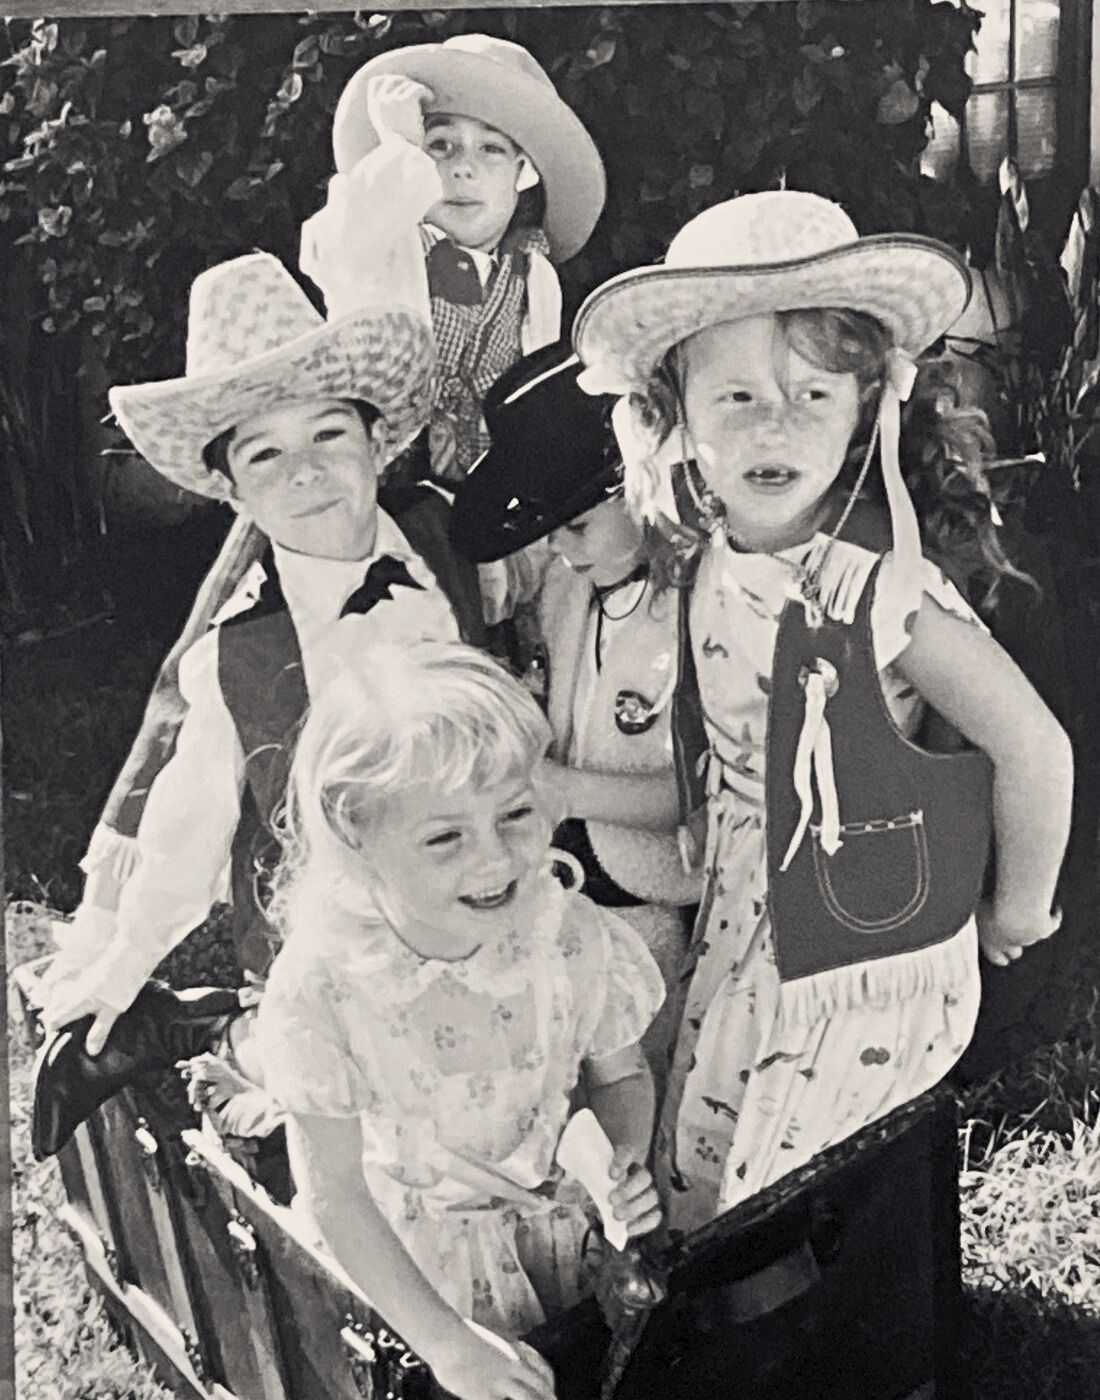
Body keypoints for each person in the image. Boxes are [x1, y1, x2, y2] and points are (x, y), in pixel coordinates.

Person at [573, 190, 1074, 1233]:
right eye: (736, 398)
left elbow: (1031, 740)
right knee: (712, 1147)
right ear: (676, 418)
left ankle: (816, 1334)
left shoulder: (874, 591)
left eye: (811, 394)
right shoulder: (710, 555)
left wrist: (1016, 906)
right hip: (746, 915)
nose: (774, 423)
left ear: (867, 410)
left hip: (856, 945)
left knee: (774, 1184)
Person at [39, 251, 479, 1063]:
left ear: (378, 441)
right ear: (233, 493)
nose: (306, 470)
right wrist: (120, 967)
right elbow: (187, 829)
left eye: (327, 433)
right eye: (265, 456)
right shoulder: (238, 654)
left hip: (486, 894)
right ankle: (238, 1034)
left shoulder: (448, 543)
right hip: (343, 952)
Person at [253, 639, 665, 1400]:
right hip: (410, 1279)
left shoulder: (567, 934)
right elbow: (336, 1192)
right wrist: (445, 1341)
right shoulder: (328, 987)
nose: (495, 859)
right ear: (355, 834)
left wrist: (622, 1163)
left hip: (557, 1245)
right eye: (445, 836)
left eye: (515, 814)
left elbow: (623, 1074)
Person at [450, 341, 700, 1088]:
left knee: (639, 1059)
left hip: (661, 889)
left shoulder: (696, 609)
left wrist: (565, 789)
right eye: (549, 531)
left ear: (642, 489)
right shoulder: (570, 595)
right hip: (569, 878)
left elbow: (706, 789)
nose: (558, 549)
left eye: (576, 526)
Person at [300, 32, 605, 495]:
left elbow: (534, 392)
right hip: (377, 485)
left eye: (491, 149)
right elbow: (333, 247)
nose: (464, 168)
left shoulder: (532, 272)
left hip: (486, 492)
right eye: (440, 145)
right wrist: (397, 146)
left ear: (524, 174)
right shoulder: (385, 240)